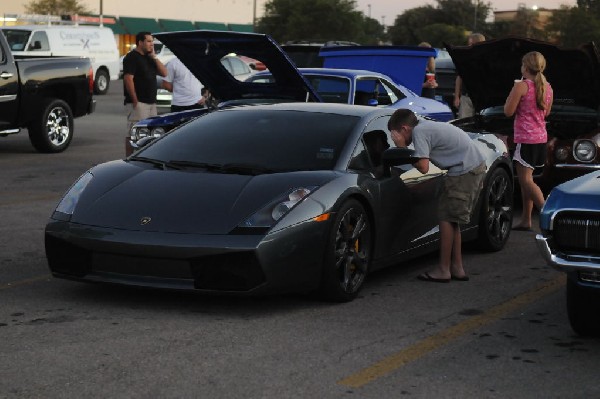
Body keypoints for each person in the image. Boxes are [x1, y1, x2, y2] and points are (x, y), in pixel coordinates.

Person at [388, 109, 486, 283]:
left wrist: (401, 148)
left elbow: (423, 167)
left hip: (464, 171)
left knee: (446, 218)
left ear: (404, 128)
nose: (393, 138)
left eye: (394, 134)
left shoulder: (419, 132)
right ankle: (457, 267)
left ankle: (443, 270)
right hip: (472, 167)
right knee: (452, 220)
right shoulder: (424, 126)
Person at [504, 51, 553, 231]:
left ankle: (548, 214)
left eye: (522, 64)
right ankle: (526, 220)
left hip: (525, 140)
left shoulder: (521, 86)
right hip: (541, 139)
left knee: (525, 181)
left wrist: (513, 91)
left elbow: (508, 111)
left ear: (526, 67)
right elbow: (546, 113)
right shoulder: (547, 87)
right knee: (528, 179)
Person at [123, 31, 167, 130]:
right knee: (135, 134)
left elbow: (164, 73)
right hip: (139, 103)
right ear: (140, 42)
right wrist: (135, 101)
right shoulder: (132, 57)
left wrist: (154, 57)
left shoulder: (149, 58)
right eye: (149, 41)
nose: (152, 44)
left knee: (151, 134)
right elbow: (128, 79)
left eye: (152, 41)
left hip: (152, 103)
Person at [453, 33, 486, 118]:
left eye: (471, 43)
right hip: (466, 96)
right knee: (464, 122)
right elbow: (459, 77)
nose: (469, 46)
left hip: (481, 96)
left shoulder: (486, 59)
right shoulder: (465, 58)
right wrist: (457, 96)